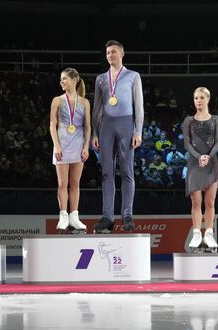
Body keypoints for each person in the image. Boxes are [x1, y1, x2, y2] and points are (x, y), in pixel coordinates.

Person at [92, 40, 143, 233]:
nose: (110, 55)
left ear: (122, 54)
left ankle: (127, 214)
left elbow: (139, 105)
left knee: (127, 171)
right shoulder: (101, 79)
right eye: (107, 52)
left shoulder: (133, 76)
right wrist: (95, 132)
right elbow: (97, 108)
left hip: (126, 124)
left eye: (113, 52)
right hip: (106, 125)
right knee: (106, 172)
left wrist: (138, 130)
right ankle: (107, 216)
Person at [49, 67, 91, 232]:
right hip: (62, 145)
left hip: (78, 145)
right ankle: (63, 216)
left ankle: (74, 216)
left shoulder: (84, 102)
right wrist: (57, 145)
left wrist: (86, 146)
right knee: (62, 183)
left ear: (74, 80)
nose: (62, 82)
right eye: (61, 79)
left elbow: (88, 127)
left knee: (75, 183)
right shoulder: (57, 100)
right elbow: (52, 125)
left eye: (65, 78)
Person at [183, 87, 218, 252]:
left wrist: (208, 156)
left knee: (210, 202)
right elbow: (186, 143)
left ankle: (209, 234)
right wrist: (199, 157)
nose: (198, 100)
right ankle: (197, 233)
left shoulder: (216, 119)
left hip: (211, 163)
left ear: (208, 99)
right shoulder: (188, 121)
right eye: (195, 98)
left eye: (201, 98)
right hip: (194, 164)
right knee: (196, 202)